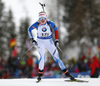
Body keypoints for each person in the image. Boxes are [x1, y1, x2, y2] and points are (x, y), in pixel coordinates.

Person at [28, 11, 75, 81]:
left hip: (49, 42)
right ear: (39, 19)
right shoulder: (37, 24)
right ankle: (40, 75)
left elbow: (56, 30)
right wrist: (32, 40)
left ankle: (67, 73)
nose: (42, 20)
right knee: (42, 57)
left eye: (44, 18)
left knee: (56, 57)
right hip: (40, 42)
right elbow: (29, 29)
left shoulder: (50, 23)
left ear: (46, 18)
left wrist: (56, 40)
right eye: (41, 18)